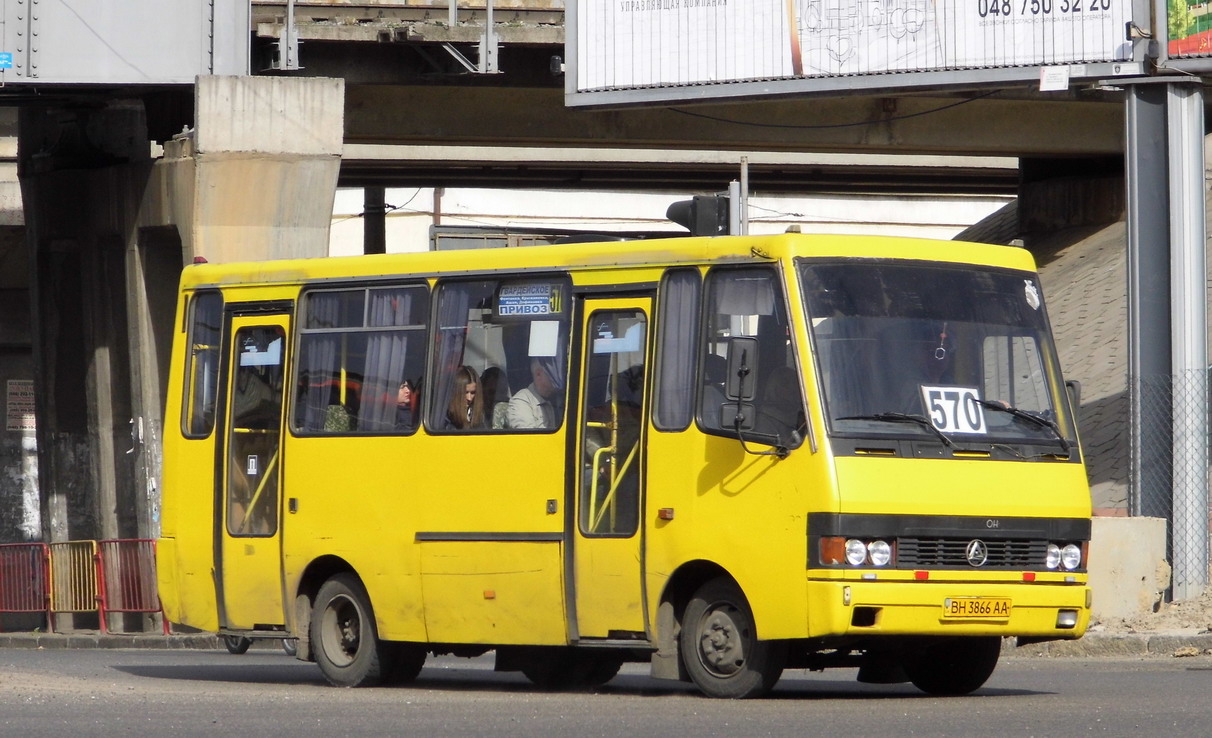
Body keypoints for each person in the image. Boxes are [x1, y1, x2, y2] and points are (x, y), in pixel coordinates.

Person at [507, 358, 560, 429]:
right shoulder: (521, 401)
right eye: (554, 373)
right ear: (538, 374)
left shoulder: (561, 398)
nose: (559, 377)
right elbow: (527, 437)